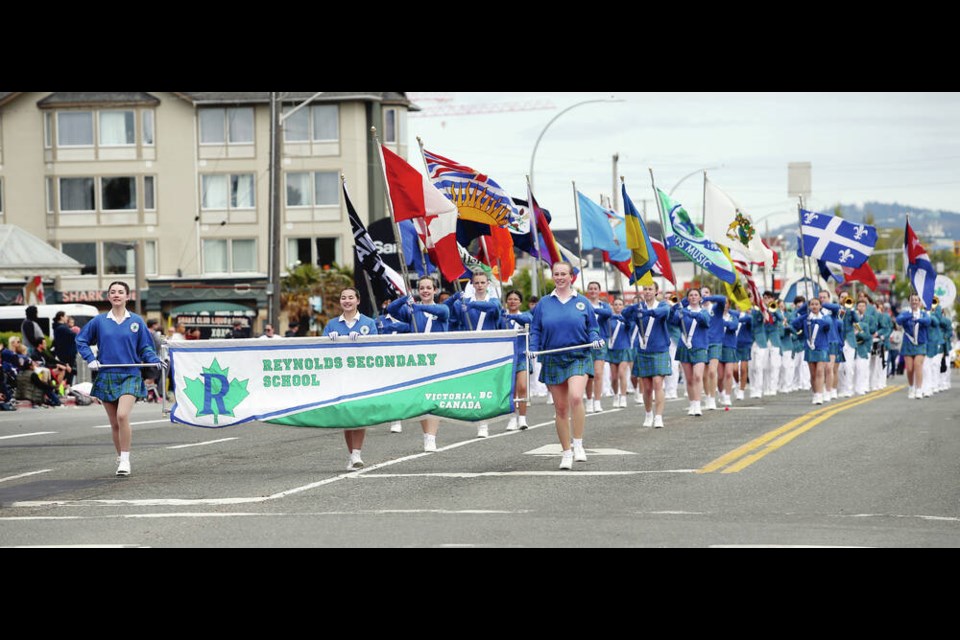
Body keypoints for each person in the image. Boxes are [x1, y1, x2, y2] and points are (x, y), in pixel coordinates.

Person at [76, 281, 165, 477]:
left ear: (127, 296)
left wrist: (153, 360)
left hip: (130, 374)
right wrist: (90, 358)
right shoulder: (99, 321)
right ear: (108, 297)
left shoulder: (137, 321)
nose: (116, 295)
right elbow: (80, 340)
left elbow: (145, 347)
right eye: (113, 292)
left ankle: (125, 459)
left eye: (120, 292)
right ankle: (120, 457)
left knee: (122, 416)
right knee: (115, 423)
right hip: (107, 374)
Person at [529, 262, 602, 470]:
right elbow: (535, 329)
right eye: (556, 274)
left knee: (576, 397)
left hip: (578, 356)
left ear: (572, 277)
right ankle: (566, 452)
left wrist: (595, 338)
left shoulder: (583, 302)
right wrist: (533, 348)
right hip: (553, 357)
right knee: (560, 408)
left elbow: (592, 328)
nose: (560, 277)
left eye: (563, 274)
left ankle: (578, 444)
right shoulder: (544, 303)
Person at [387, 275, 450, 452]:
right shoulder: (411, 312)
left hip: (437, 359)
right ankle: (421, 431)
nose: (425, 291)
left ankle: (431, 438)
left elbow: (441, 313)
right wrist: (404, 298)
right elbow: (391, 310)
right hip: (418, 359)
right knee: (422, 399)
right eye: (421, 288)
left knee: (431, 398)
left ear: (435, 290)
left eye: (428, 288)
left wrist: (417, 306)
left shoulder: (443, 308)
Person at [323, 287, 379, 470]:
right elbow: (320, 350)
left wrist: (364, 341)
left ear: (358, 301)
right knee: (347, 416)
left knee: (359, 415)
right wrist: (329, 341)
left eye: (350, 298)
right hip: (340, 376)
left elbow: (377, 348)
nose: (347, 301)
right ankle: (352, 454)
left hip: (361, 376)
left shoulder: (368, 323)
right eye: (343, 298)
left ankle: (357, 453)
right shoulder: (332, 324)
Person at [445, 270, 502, 437]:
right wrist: (455, 298)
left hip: (489, 349)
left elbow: (494, 309)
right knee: (475, 385)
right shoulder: (463, 303)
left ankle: (484, 420)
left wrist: (470, 305)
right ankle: (480, 421)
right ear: (472, 284)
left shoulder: (493, 301)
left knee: (486, 385)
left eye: (482, 283)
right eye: (476, 283)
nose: (479, 286)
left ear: (488, 284)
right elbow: (448, 314)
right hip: (470, 349)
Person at [623, 281, 672, 428]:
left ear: (656, 291)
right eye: (645, 289)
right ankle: (648, 413)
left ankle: (658, 416)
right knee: (647, 387)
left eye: (650, 289)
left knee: (658, 383)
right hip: (644, 351)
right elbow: (625, 315)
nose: (648, 291)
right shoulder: (639, 307)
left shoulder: (662, 305)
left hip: (660, 349)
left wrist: (646, 312)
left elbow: (662, 313)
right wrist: (634, 307)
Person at [671, 288, 711, 416]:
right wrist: (677, 310)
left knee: (698, 376)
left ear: (700, 298)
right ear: (688, 298)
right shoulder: (682, 311)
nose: (693, 297)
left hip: (700, 346)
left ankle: (698, 404)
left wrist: (689, 314)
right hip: (684, 346)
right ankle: (692, 403)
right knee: (688, 378)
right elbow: (672, 321)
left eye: (696, 295)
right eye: (691, 295)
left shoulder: (704, 312)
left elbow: (705, 322)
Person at [376, 300, 411, 434]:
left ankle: (395, 420)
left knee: (396, 389)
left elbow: (410, 329)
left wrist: (395, 327)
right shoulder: (378, 320)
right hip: (383, 359)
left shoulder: (409, 320)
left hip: (401, 359)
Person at [501, 289, 532, 431]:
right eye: (510, 299)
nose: (512, 301)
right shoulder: (502, 318)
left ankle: (523, 418)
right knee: (510, 389)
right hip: (507, 357)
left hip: (521, 356)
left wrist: (511, 317)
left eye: (515, 299)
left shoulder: (525, 316)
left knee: (522, 387)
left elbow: (527, 321)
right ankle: (512, 418)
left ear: (520, 302)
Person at [792, 296, 833, 405]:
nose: (814, 306)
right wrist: (805, 310)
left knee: (820, 371)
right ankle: (815, 393)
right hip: (809, 347)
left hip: (822, 347)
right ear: (809, 306)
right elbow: (794, 323)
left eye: (816, 304)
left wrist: (817, 320)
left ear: (820, 306)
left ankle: (819, 394)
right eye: (812, 304)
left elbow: (828, 326)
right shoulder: (806, 318)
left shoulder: (825, 317)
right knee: (813, 373)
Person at [583, 281, 612, 414]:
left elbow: (608, 313)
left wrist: (593, 309)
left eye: (595, 288)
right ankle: (589, 400)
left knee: (599, 373)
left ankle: (597, 401)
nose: (593, 291)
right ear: (588, 291)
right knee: (589, 374)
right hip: (586, 342)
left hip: (600, 342)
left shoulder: (604, 305)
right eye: (591, 288)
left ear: (599, 291)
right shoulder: (583, 305)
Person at [896, 293, 930, 399]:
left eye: (916, 300)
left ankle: (919, 389)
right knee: (910, 369)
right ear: (909, 302)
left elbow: (928, 322)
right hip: (908, 343)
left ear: (919, 302)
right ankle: (911, 387)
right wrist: (908, 316)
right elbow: (898, 320)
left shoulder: (924, 314)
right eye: (912, 300)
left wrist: (918, 319)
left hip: (920, 343)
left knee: (917, 365)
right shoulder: (905, 313)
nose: (914, 302)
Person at [699, 286, 727, 410]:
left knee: (712, 371)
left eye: (706, 292)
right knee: (704, 375)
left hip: (715, 342)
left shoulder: (716, 308)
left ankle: (712, 399)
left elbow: (722, 299)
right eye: (702, 293)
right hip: (702, 342)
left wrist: (707, 298)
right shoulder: (698, 310)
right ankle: (707, 396)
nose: (704, 295)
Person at [604, 297, 634, 409]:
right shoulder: (609, 319)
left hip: (624, 348)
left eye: (620, 304)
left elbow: (629, 326)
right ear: (612, 306)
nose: (618, 306)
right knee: (614, 377)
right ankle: (616, 395)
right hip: (612, 349)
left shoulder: (626, 318)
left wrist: (625, 319)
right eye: (615, 304)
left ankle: (623, 397)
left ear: (623, 306)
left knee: (622, 373)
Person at [52, 311, 78, 385]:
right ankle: (66, 388)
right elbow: (73, 336)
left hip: (64, 353)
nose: (67, 318)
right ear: (61, 317)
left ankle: (65, 387)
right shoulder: (62, 328)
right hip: (67, 354)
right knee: (68, 374)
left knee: (67, 373)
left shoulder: (59, 327)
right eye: (65, 316)